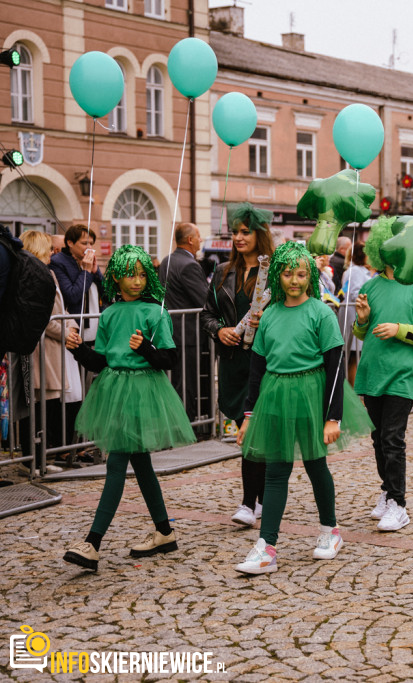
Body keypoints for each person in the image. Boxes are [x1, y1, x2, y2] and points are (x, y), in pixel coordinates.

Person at [233, 241, 365, 575]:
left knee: (315, 465)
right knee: (276, 470)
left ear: (310, 276)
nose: (294, 280)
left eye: (302, 274)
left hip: (310, 393)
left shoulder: (321, 313)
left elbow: (335, 368)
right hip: (275, 395)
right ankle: (267, 548)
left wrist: (332, 417)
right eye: (288, 273)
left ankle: (330, 530)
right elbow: (257, 370)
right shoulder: (269, 315)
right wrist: (249, 415)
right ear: (278, 276)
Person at [62, 245, 195, 571]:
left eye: (141, 274)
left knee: (117, 462)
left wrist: (146, 347)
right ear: (116, 278)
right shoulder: (108, 314)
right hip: (114, 390)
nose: (136, 280)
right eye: (128, 274)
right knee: (141, 463)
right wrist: (79, 350)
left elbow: (169, 359)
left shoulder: (155, 312)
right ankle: (164, 531)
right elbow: (102, 361)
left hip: (143, 391)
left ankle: (93, 543)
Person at [354, 216, 413, 532]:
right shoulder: (370, 286)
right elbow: (362, 333)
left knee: (392, 438)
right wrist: (362, 319)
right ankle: (387, 491)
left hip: (404, 375)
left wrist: (401, 329)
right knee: (378, 439)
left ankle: (399, 504)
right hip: (373, 372)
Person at [201, 203, 277, 527]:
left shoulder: (274, 271)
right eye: (235, 232)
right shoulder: (222, 272)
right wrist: (219, 330)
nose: (239, 237)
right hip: (231, 360)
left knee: (253, 428)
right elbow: (205, 314)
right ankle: (260, 498)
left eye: (245, 231)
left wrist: (267, 321)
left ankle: (249, 503)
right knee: (244, 424)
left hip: (262, 360)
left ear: (259, 233)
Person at [16, 231, 82, 473]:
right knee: (33, 406)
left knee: (48, 405)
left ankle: (42, 458)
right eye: (49, 250)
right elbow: (41, 316)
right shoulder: (30, 274)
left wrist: (72, 326)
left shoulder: (49, 273)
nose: (53, 254)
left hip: (53, 348)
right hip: (39, 349)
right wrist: (64, 332)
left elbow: (60, 308)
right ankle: (29, 460)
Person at [159, 222, 211, 426]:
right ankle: (186, 425)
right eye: (198, 236)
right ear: (190, 240)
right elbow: (204, 299)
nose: (200, 240)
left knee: (177, 381)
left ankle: (176, 422)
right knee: (188, 383)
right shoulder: (189, 265)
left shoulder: (167, 260)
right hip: (188, 334)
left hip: (173, 331)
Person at [50, 224, 104, 343]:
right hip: (75, 329)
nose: (89, 247)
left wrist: (97, 274)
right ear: (70, 243)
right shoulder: (58, 262)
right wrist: (86, 271)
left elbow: (107, 294)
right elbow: (72, 296)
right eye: (84, 243)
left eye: (91, 243)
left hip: (95, 328)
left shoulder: (89, 261)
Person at [339, 242, 372, 386]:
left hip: (353, 315)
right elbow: (355, 293)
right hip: (354, 316)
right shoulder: (356, 271)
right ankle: (354, 392)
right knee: (354, 356)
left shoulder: (356, 270)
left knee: (354, 356)